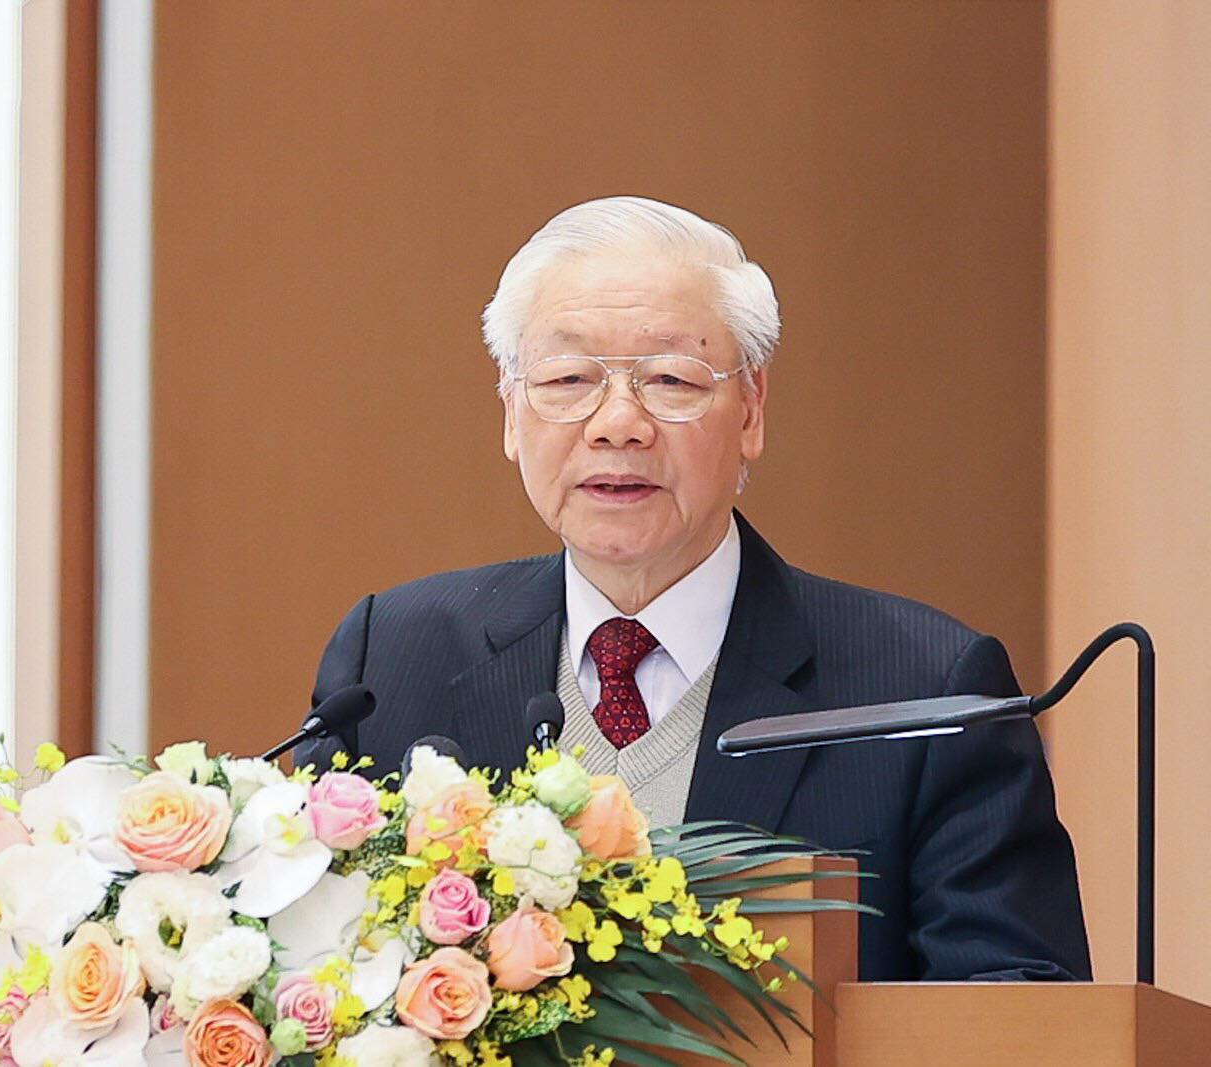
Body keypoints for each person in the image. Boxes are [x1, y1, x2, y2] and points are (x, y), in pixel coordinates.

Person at [298, 196, 1089, 982]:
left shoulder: (928, 691)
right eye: (568, 378)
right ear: (511, 411)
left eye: (671, 379)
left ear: (751, 410)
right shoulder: (393, 659)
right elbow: (304, 969)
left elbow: (1021, 1011)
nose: (617, 423)